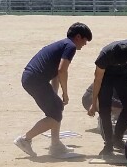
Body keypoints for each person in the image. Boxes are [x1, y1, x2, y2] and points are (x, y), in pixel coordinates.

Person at [14, 23, 92, 158]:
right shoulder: (70, 46)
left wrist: (55, 95)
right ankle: (25, 139)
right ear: (78, 37)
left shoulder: (63, 44)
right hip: (35, 80)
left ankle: (55, 145)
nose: (84, 44)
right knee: (55, 115)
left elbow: (56, 73)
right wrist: (65, 93)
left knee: (56, 109)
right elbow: (62, 70)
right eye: (85, 40)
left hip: (33, 78)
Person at [88, 39, 127, 155]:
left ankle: (118, 138)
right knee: (104, 110)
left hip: (124, 74)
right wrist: (93, 103)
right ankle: (108, 143)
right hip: (106, 76)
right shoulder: (104, 57)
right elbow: (97, 80)